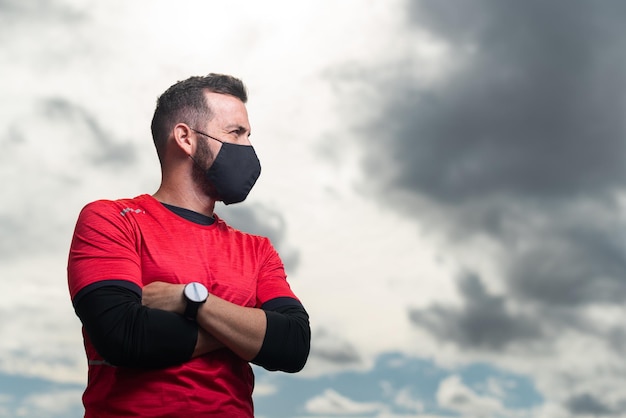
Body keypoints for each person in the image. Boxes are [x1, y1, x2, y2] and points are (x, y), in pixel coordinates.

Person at [67, 74, 311, 417]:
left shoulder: (257, 250)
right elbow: (124, 335)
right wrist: (248, 329)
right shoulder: (112, 220)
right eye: (235, 133)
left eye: (248, 136)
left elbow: (294, 344)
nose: (247, 148)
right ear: (185, 138)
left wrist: (192, 301)